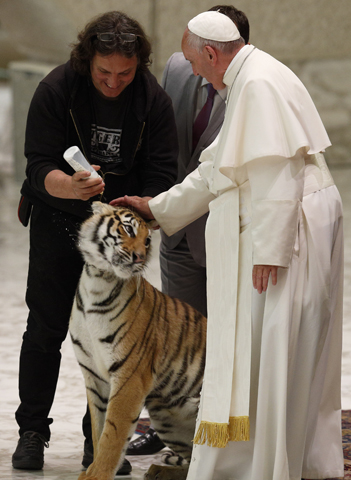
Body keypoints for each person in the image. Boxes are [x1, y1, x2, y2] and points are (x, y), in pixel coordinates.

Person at [112, 10, 344, 480]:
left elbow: (279, 171)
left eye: (197, 64)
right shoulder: (248, 76)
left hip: (285, 230)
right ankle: (264, 456)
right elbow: (216, 166)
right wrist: (159, 209)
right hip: (287, 220)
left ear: (213, 54)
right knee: (270, 346)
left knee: (276, 344)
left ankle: (268, 463)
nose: (194, 73)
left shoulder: (256, 85)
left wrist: (269, 251)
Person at [13, 10, 178, 476]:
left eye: (124, 74)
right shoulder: (56, 89)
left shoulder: (153, 101)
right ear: (87, 61)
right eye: (104, 72)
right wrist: (68, 186)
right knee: (46, 327)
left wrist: (140, 205)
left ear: (139, 66)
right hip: (58, 218)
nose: (113, 82)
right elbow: (37, 164)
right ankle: (32, 431)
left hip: (119, 233)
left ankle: (99, 441)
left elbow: (164, 175)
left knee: (113, 341)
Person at [126, 4, 250, 457]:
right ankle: (167, 424)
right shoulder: (179, 66)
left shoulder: (253, 91)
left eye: (203, 55)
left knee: (222, 334)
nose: (195, 64)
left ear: (224, 55)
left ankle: (223, 426)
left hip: (226, 235)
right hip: (175, 228)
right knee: (175, 333)